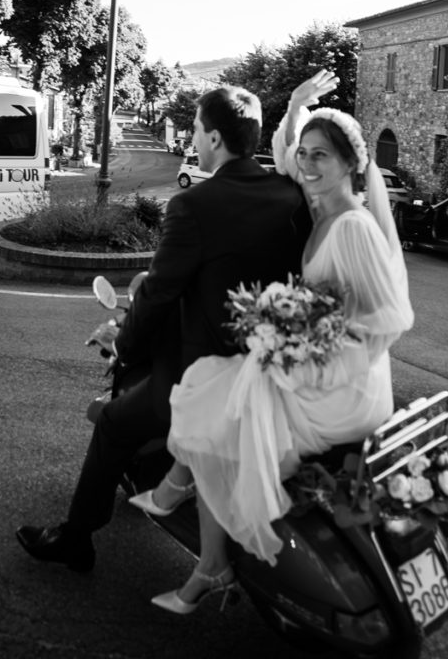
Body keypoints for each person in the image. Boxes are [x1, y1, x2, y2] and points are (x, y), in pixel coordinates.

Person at [136, 71, 414, 614]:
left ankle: (205, 553)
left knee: (222, 410)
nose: (306, 165)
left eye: (321, 158)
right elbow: (286, 155)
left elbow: (390, 321)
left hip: (348, 383)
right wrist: (293, 108)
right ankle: (184, 507)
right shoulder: (320, 205)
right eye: (304, 154)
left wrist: (312, 349)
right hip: (322, 362)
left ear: (351, 166)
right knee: (205, 383)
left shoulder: (353, 226)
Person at [15, 86, 310, 573]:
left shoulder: (194, 204)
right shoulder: (288, 193)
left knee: (112, 424)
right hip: (278, 370)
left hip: (205, 375)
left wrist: (125, 343)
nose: (193, 137)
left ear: (214, 138)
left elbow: (158, 292)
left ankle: (76, 538)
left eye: (195, 129)